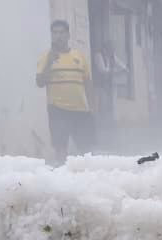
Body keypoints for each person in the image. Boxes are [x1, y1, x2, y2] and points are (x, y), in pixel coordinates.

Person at [36, 20, 93, 166]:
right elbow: (40, 82)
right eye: (55, 33)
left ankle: (85, 179)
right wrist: (50, 62)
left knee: (86, 149)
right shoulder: (45, 57)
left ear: (68, 35)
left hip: (80, 110)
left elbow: (87, 83)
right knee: (60, 148)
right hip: (57, 109)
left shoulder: (79, 56)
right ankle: (62, 178)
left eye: (61, 32)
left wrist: (93, 107)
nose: (58, 36)